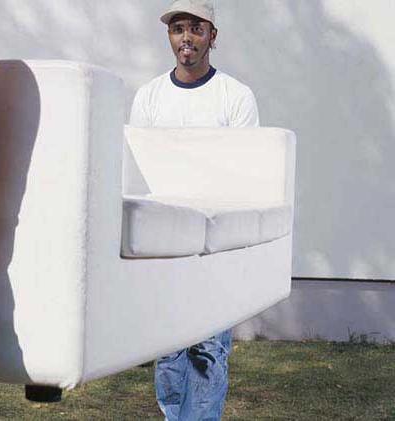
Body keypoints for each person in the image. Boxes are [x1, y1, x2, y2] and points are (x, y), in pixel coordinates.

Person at [129, 0, 259, 419]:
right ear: (170, 36)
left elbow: (241, 174)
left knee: (207, 351)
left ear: (212, 37)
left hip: (213, 248)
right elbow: (139, 171)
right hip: (164, 246)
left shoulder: (235, 97)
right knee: (167, 353)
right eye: (178, 28)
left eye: (196, 28)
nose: (186, 37)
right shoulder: (149, 97)